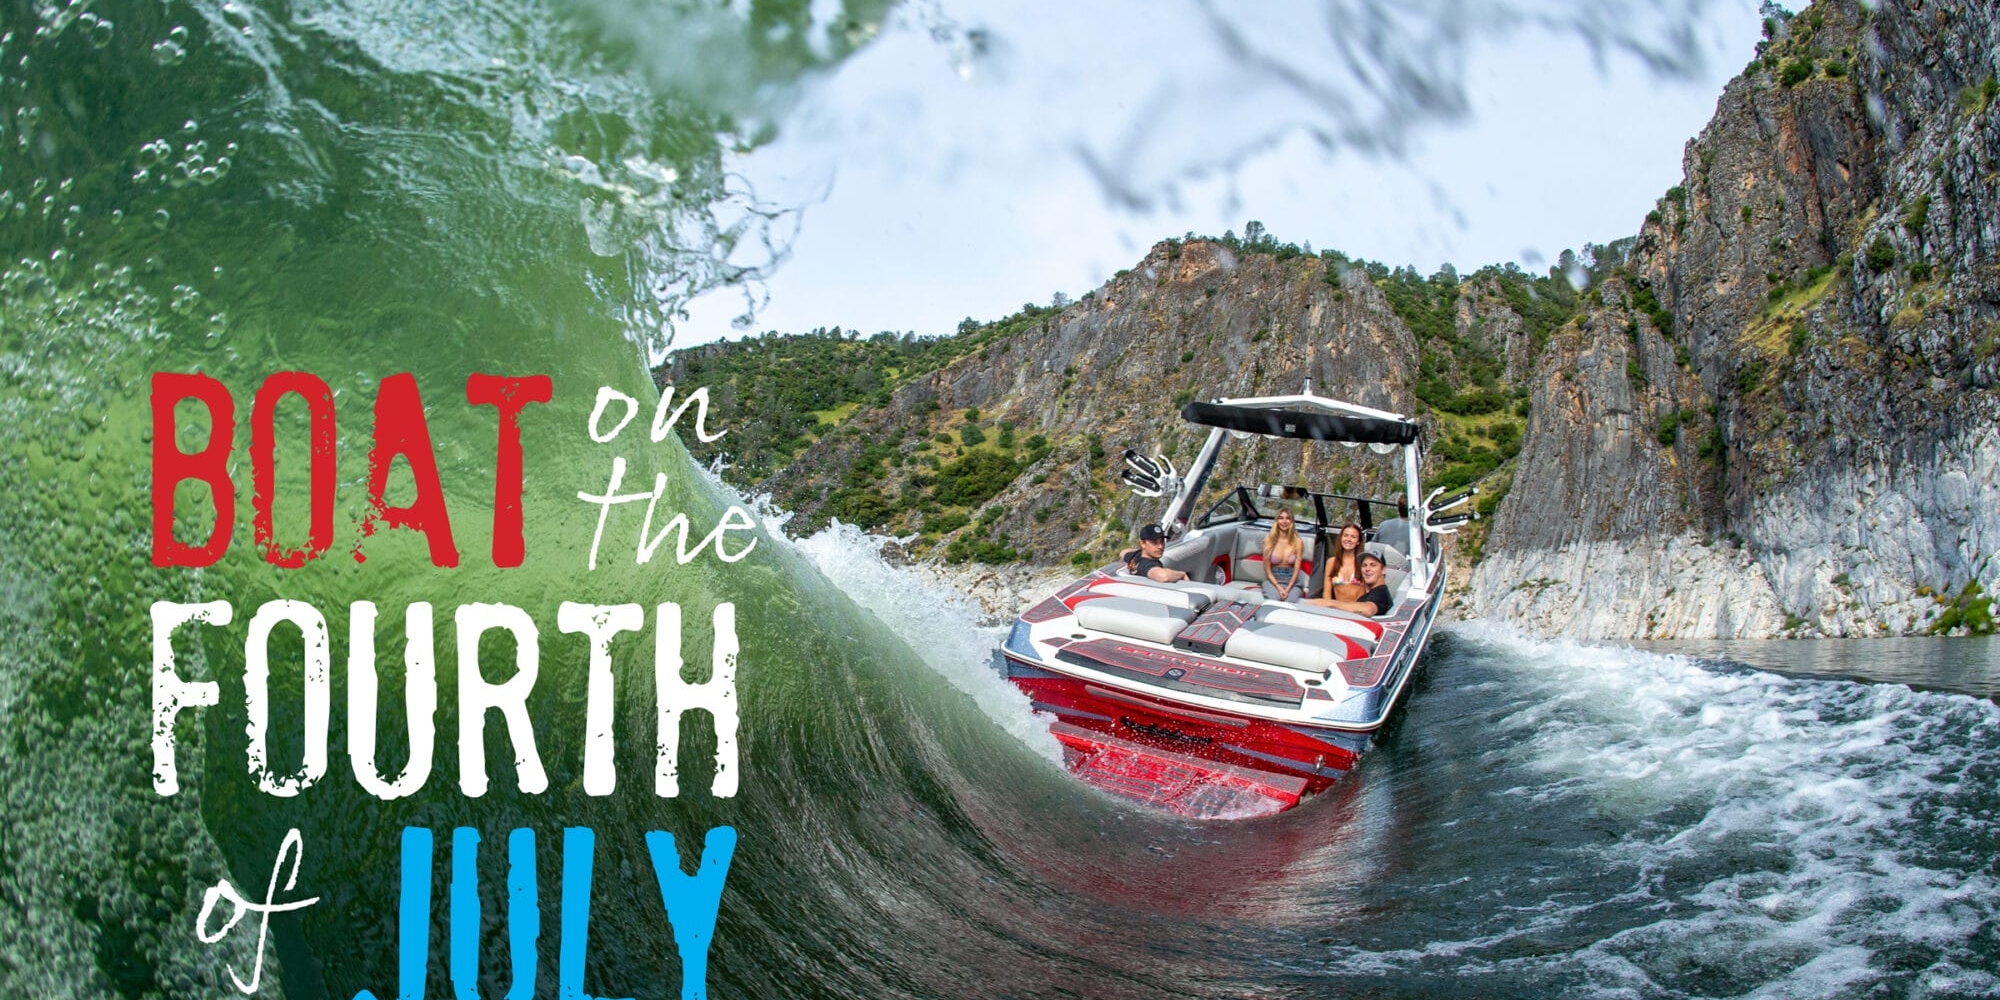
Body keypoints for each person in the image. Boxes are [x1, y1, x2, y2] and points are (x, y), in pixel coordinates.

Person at [1318, 550, 1393, 616]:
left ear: (1383, 570)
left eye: (1373, 565)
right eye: (1364, 565)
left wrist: (1330, 604)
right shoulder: (1372, 593)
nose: (1367, 569)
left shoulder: (1380, 593)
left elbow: (1368, 609)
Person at [1309, 523, 1365, 605]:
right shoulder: (1331, 562)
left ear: (1358, 542)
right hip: (1338, 609)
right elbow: (1327, 593)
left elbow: (1368, 591)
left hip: (1357, 609)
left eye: (1353, 537)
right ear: (1341, 538)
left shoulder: (1362, 562)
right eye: (1346, 535)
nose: (1348, 539)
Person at [1260, 509, 1306, 601]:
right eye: (1281, 518)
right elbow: (1267, 569)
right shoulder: (1268, 540)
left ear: (1292, 521)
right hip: (1273, 580)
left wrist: (1288, 589)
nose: (1284, 521)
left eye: (1288, 518)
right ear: (1276, 521)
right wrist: (1278, 587)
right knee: (1273, 600)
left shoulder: (1298, 541)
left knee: (1290, 602)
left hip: (1292, 581)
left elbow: (1297, 570)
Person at [1120, 523, 1189, 583]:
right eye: (1154, 542)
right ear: (1142, 543)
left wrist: (1144, 548)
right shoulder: (1147, 564)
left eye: (1162, 541)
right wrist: (1182, 574)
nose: (1160, 546)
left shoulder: (1136, 555)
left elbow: (1123, 552)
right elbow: (1163, 576)